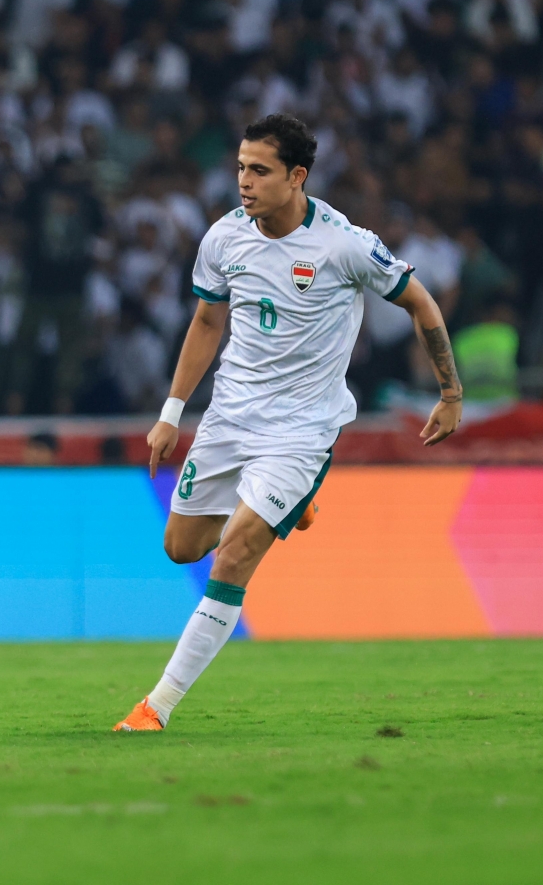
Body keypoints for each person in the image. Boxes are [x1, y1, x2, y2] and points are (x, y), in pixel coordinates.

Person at [115, 114, 462, 733]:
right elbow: (206, 322)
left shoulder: (344, 244)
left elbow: (420, 301)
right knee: (180, 548)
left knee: (233, 556)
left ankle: (156, 706)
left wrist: (450, 392)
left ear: (297, 176)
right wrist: (171, 414)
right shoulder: (224, 237)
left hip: (303, 429)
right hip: (230, 417)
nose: (244, 182)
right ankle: (289, 504)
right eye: (240, 168)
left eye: (259, 170)